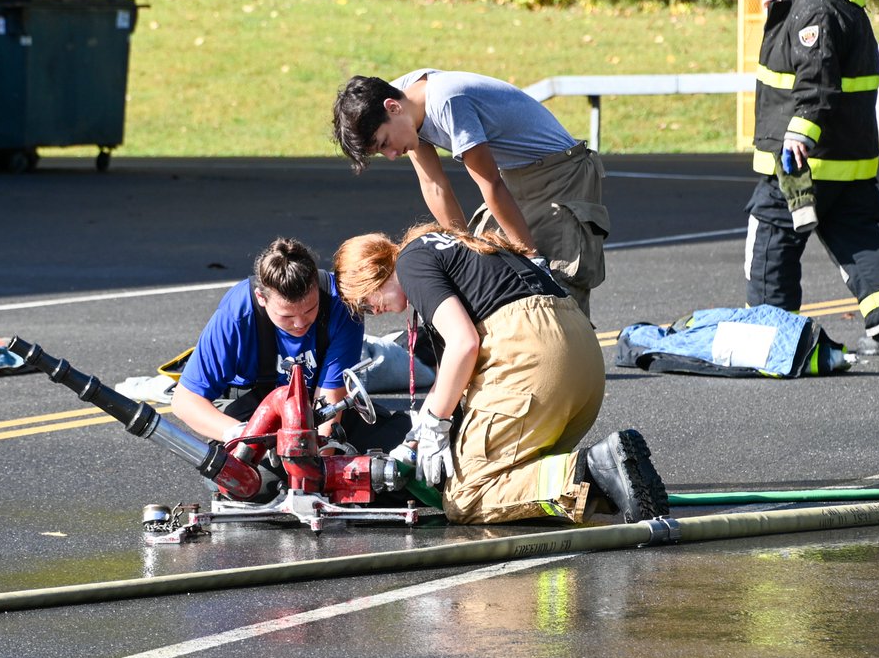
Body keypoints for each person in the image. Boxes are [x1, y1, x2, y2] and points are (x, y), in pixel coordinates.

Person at [331, 223, 668, 525]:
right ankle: (611, 479)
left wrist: (435, 424)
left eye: (364, 303)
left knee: (465, 496)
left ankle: (594, 472)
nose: (372, 312)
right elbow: (455, 372)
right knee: (515, 473)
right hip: (582, 359)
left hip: (534, 360)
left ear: (372, 272)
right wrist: (415, 441)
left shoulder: (409, 263)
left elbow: (464, 344)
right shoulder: (452, 246)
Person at [745, 0, 879, 355]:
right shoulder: (840, 6)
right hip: (849, 160)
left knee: (772, 233)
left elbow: (817, 78)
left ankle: (773, 335)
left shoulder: (816, 9)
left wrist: (800, 134)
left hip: (802, 160)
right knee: (856, 235)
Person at [331, 69, 609, 317]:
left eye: (385, 143)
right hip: (514, 177)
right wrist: (461, 253)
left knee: (554, 281)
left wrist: (532, 259)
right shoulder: (402, 100)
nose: (392, 155)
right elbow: (434, 185)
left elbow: (489, 183)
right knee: (492, 271)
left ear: (392, 107)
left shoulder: (446, 101)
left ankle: (571, 362)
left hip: (561, 173)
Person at [171, 237, 410, 454]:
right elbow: (185, 401)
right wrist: (245, 436)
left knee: (396, 447)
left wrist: (318, 466)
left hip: (317, 409)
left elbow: (329, 404)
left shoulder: (340, 305)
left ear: (317, 286)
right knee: (254, 479)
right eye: (286, 316)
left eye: (309, 310)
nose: (299, 324)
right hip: (256, 414)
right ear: (262, 299)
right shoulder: (238, 313)